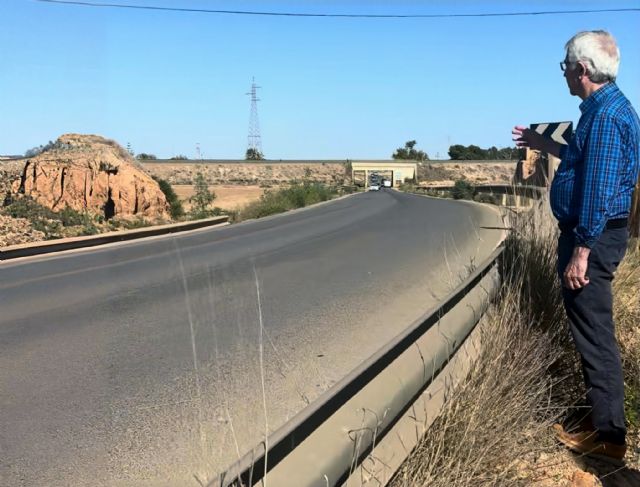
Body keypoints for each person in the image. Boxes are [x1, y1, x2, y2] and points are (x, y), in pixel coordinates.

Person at [512, 30, 640, 462]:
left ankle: (608, 439)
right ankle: (599, 421)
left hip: (593, 240)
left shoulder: (604, 117)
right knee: (591, 333)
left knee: (595, 338)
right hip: (599, 236)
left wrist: (582, 251)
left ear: (581, 70)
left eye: (566, 66)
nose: (565, 73)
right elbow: (584, 162)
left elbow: (600, 190)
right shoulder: (604, 109)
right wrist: (543, 145)